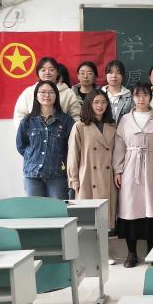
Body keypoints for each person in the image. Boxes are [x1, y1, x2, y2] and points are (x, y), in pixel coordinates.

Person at [113, 83, 153, 268]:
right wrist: (118, 169)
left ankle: (152, 252)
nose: (141, 99)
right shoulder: (125, 119)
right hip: (130, 167)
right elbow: (119, 145)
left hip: (151, 167)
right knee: (130, 209)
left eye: (145, 95)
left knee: (152, 208)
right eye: (138, 95)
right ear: (133, 98)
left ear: (150, 97)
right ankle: (131, 253)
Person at [16, 80, 75, 199]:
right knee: (36, 209)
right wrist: (32, 156)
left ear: (56, 96)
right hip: (33, 175)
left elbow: (72, 147)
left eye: (51, 92)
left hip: (57, 174)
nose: (47, 95)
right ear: (36, 96)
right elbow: (21, 146)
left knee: (58, 208)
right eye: (42, 92)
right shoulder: (27, 121)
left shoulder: (66, 121)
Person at [67, 90, 118, 225]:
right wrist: (74, 180)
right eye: (96, 102)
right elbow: (73, 155)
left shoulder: (112, 125)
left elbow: (117, 152)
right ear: (89, 104)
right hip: (88, 176)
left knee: (105, 222)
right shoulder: (80, 126)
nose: (100, 106)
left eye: (104, 102)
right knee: (88, 221)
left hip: (108, 177)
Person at [13, 57, 81, 120]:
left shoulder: (68, 93)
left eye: (51, 70)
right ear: (38, 73)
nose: (47, 72)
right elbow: (19, 115)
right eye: (43, 70)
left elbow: (76, 116)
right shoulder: (29, 92)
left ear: (57, 72)